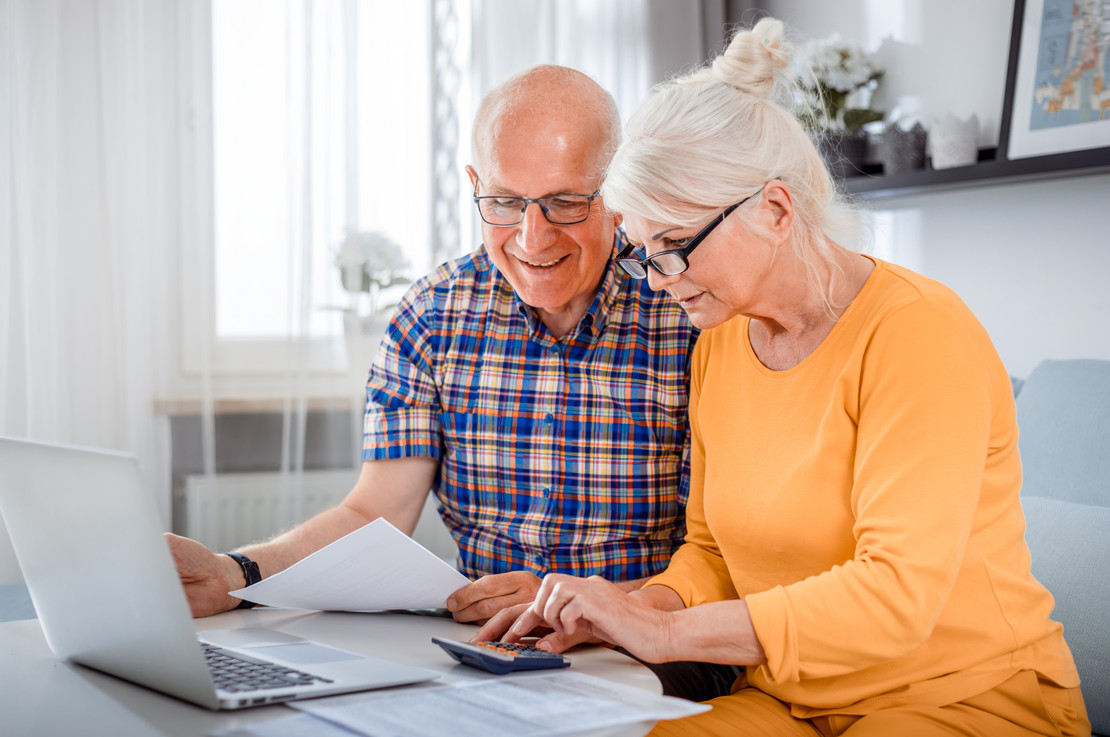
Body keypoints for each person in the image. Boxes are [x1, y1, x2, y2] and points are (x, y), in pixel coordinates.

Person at [479, 20, 1091, 737]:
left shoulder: (918, 332)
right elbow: (710, 552)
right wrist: (628, 609)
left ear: (774, 209)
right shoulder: (722, 340)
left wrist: (670, 639)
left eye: (675, 246)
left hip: (965, 696)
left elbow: (897, 594)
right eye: (647, 252)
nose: (660, 279)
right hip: (795, 698)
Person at [168, 65, 740, 700]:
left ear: (618, 193)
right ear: (475, 186)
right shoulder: (433, 315)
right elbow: (372, 512)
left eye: (566, 203)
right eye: (503, 203)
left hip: (651, 648)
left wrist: (585, 606)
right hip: (485, 652)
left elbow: (723, 556)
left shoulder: (688, 313)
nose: (533, 237)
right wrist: (233, 574)